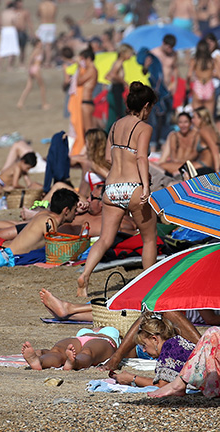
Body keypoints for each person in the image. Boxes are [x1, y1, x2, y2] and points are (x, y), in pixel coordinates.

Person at [78, 82, 158, 297]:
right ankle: (148, 286)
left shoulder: (114, 126)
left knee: (105, 239)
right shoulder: (144, 128)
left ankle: (85, 276)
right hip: (133, 187)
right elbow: (141, 157)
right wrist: (146, 186)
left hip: (112, 187)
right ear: (146, 106)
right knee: (149, 238)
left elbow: (107, 157)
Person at [109, 317, 196, 388]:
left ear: (154, 339)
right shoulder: (176, 343)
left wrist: (132, 378)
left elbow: (162, 385)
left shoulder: (168, 349)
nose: (143, 350)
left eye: (144, 345)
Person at [21, 326, 120, 371]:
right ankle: (39, 361)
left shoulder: (122, 337)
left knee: (87, 352)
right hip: (79, 339)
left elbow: (128, 348)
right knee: (57, 350)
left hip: (104, 341)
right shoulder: (88, 330)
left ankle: (75, 362)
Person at [17, 39, 49, 110]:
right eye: (40, 43)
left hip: (32, 69)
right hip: (36, 69)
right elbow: (31, 59)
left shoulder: (39, 50)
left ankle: (20, 102)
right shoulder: (37, 50)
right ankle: (44, 104)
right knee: (42, 86)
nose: (41, 44)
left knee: (29, 87)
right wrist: (28, 67)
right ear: (37, 44)